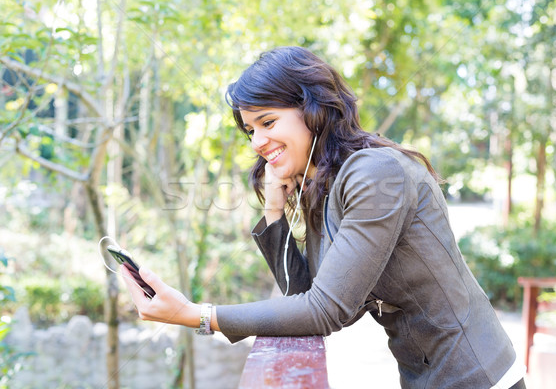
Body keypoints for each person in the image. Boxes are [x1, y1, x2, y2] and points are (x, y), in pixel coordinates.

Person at [121, 46, 526, 388]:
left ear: (313, 110)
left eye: (267, 122)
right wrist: (274, 212)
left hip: (477, 376)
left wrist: (198, 315)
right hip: (424, 377)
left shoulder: (374, 173)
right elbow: (306, 296)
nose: (258, 142)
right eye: (249, 131)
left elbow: (325, 310)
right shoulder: (325, 184)